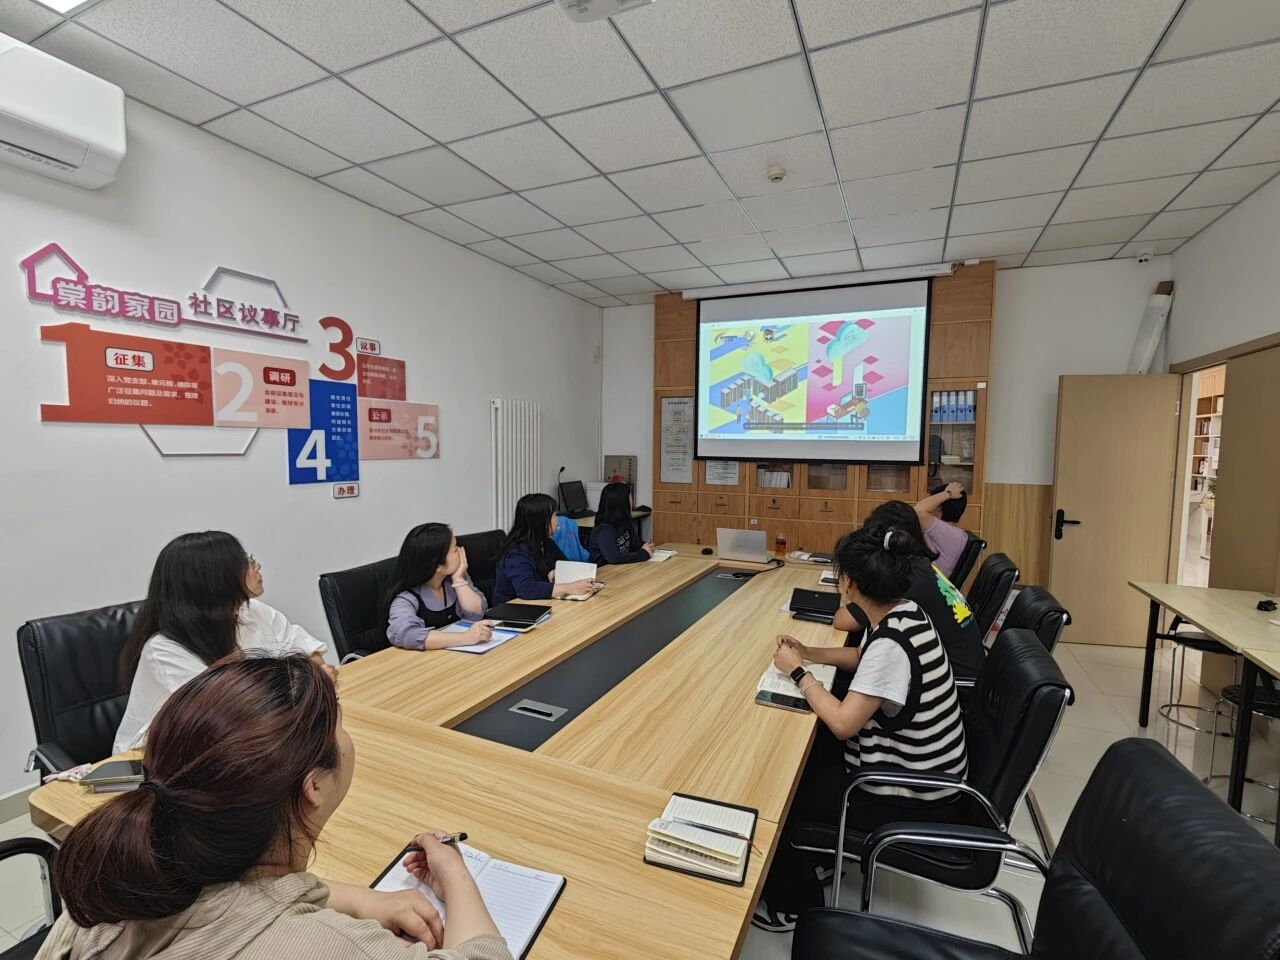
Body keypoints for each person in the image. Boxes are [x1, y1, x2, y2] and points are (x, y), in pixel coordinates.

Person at [42, 654, 512, 960]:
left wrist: (358, 899)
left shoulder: (123, 882)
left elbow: (238, 899)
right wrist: (455, 875)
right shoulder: (325, 948)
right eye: (341, 724)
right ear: (313, 786)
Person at [754, 526, 968, 931]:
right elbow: (861, 655)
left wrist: (799, 672)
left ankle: (795, 905)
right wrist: (810, 652)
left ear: (849, 583)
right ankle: (818, 855)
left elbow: (842, 723)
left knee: (779, 792)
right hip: (926, 772)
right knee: (806, 755)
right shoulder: (904, 612)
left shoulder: (891, 645)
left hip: (910, 794)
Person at [114, 531, 328, 754]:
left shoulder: (254, 612)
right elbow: (227, 716)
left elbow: (314, 658)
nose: (257, 566)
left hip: (263, 739)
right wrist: (302, 684)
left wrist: (308, 680)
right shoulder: (164, 650)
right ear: (215, 580)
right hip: (169, 758)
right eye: (246, 562)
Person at [831, 501, 984, 681]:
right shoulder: (921, 565)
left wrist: (853, 588)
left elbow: (843, 621)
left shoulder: (903, 581)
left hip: (953, 682)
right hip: (963, 670)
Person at [383, 523, 495, 650]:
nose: (460, 551)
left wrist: (458, 580)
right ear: (437, 565)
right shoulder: (406, 597)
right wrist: (465, 637)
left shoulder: (455, 578)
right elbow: (407, 635)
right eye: (455, 549)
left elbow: (476, 614)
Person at [491, 493, 599, 605]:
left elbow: (566, 565)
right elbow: (526, 589)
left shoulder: (546, 543)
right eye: (555, 516)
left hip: (539, 604)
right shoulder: (516, 552)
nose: (558, 520)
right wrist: (571, 587)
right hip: (511, 610)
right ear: (541, 521)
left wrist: (558, 572)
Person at [588, 482, 653, 566]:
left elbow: (635, 543)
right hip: (604, 571)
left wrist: (645, 546)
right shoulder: (604, 530)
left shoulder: (624, 522)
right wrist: (643, 553)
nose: (631, 499)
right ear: (622, 501)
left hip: (621, 568)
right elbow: (613, 558)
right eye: (630, 495)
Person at [914, 479, 969, 578]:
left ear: (939, 507)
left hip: (931, 582)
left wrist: (948, 493)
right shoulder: (953, 532)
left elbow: (918, 512)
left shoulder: (950, 533)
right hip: (928, 579)